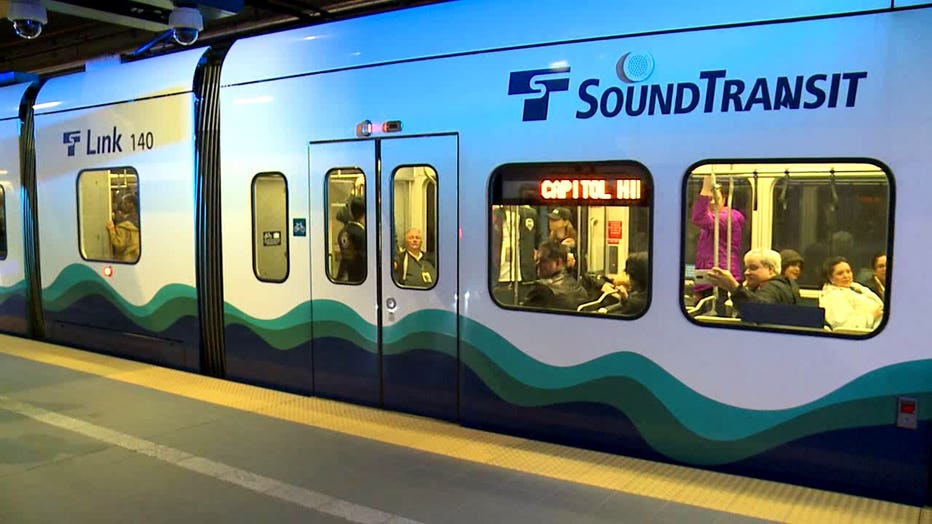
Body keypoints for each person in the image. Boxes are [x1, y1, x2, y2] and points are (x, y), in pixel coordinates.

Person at [691, 175, 745, 303]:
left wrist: (706, 189)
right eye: (709, 199)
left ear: (724, 200)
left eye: (716, 198)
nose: (712, 202)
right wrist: (698, 288)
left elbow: (698, 218)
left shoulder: (728, 218)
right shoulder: (711, 224)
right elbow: (704, 257)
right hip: (710, 280)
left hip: (722, 280)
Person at [704, 248, 796, 314]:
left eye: (753, 268)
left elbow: (758, 310)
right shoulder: (783, 286)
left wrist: (734, 287)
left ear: (771, 270)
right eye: (746, 268)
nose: (746, 273)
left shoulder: (774, 287)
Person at [820, 256, 883, 330]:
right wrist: (872, 316)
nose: (846, 276)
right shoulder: (833, 297)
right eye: (840, 273)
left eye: (848, 271)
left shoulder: (857, 287)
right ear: (831, 278)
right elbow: (846, 327)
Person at [523, 240, 588, 311]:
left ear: (558, 263)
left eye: (543, 261)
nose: (537, 264)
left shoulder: (542, 292)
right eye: (537, 260)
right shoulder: (578, 288)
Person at [335, 196, 366, 283]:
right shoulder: (362, 234)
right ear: (364, 213)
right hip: (360, 279)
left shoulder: (342, 232)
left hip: (344, 276)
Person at [106, 193, 140, 262]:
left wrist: (112, 230)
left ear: (131, 204)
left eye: (124, 203)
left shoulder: (124, 226)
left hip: (128, 259)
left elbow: (120, 245)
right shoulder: (141, 220)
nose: (121, 205)